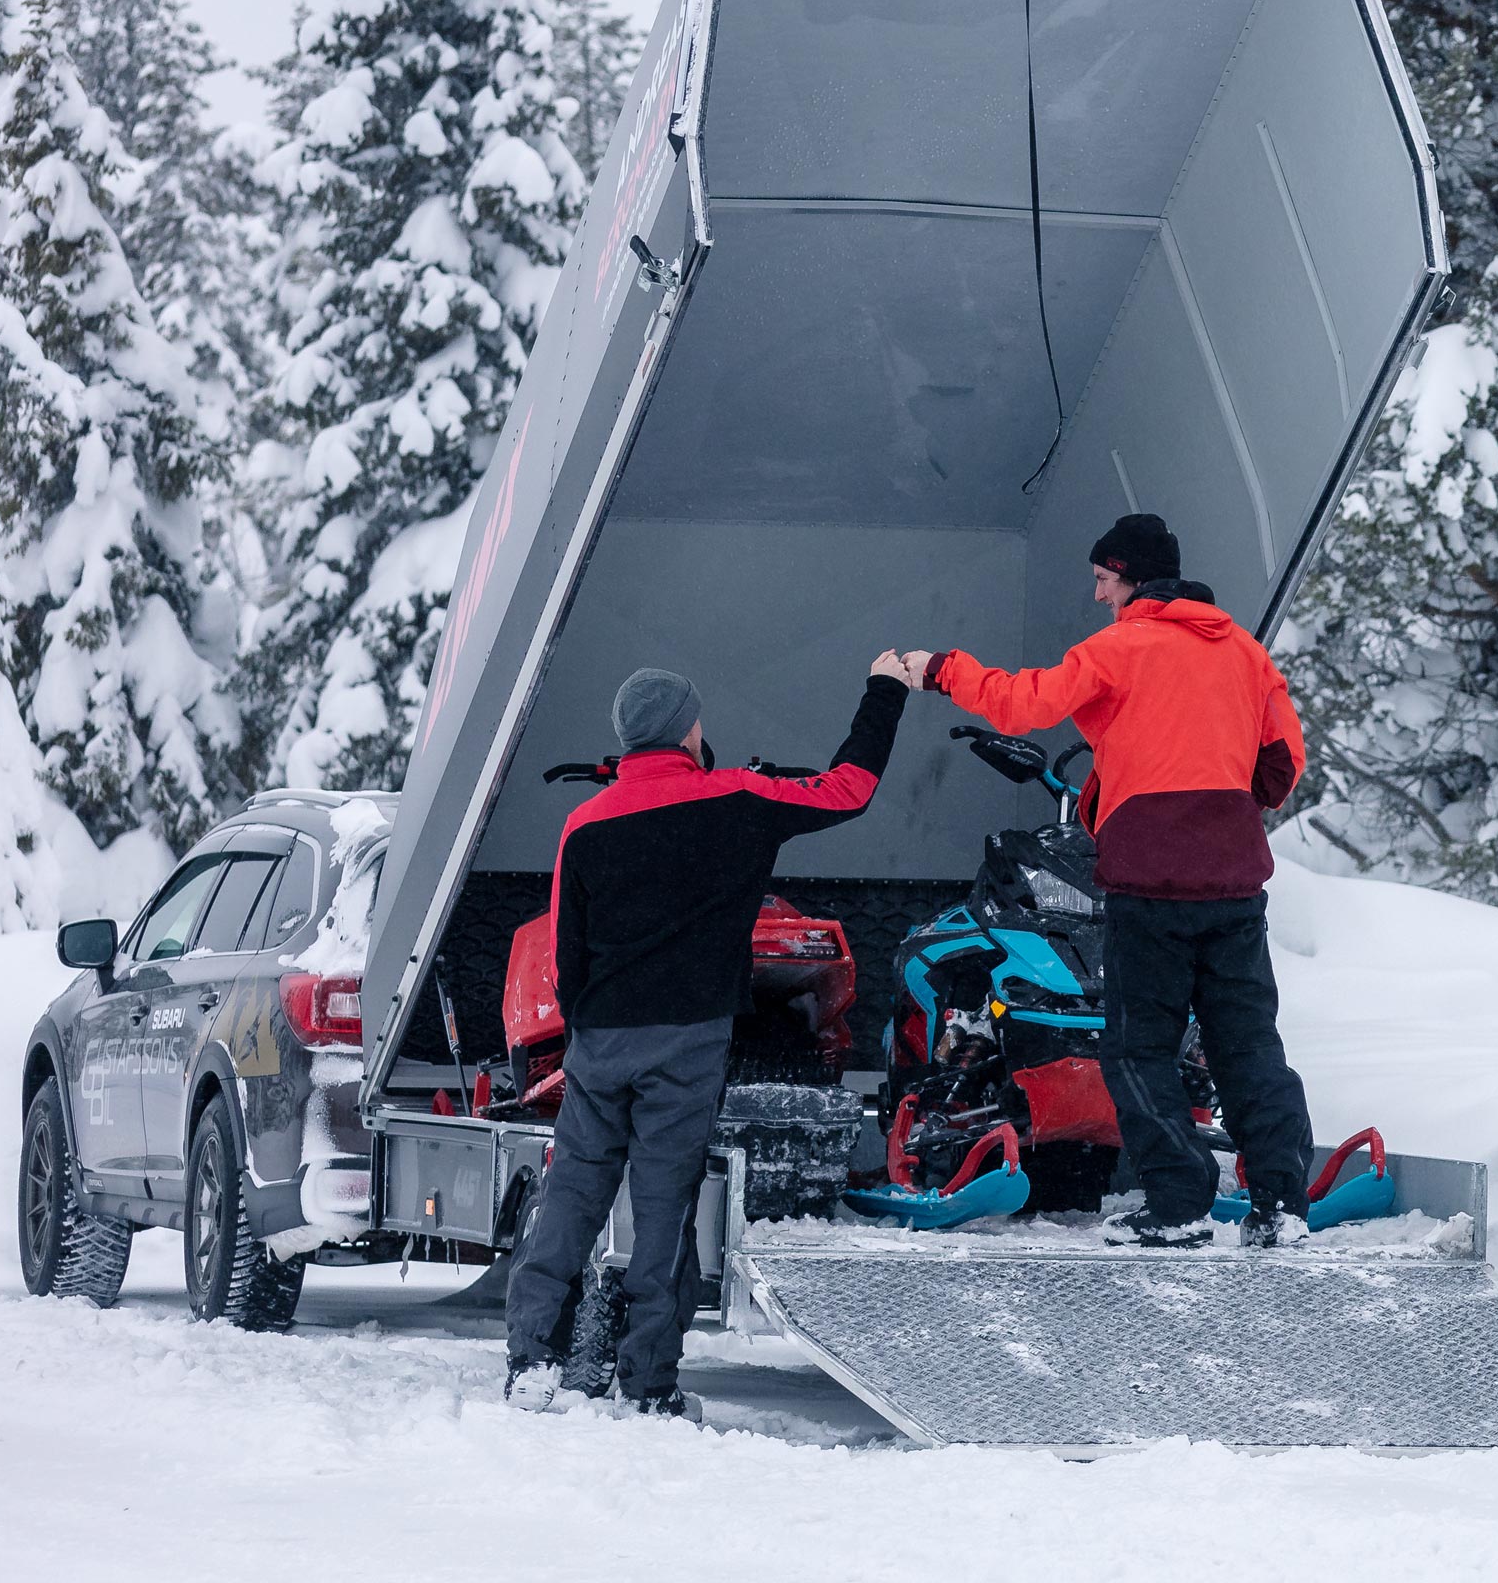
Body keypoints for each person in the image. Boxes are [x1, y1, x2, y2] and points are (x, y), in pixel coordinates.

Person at [505, 655, 909, 1415]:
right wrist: (885, 690)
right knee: (664, 1209)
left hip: (603, 1040)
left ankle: (532, 1360)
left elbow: (566, 948)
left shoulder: (584, 824)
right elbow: (848, 788)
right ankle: (649, 1384)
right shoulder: (738, 799)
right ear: (688, 729)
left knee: (572, 1197)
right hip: (688, 1039)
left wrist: (593, 1028)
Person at [896, 512, 1312, 1249]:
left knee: (1136, 1049)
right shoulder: (1244, 652)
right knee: (1247, 1046)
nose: (1096, 596)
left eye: (1101, 579)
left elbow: (1023, 702)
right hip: (1235, 885)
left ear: (1130, 577)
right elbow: (1281, 770)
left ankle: (1180, 1205)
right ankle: (1280, 1206)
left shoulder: (1119, 648)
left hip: (1150, 885)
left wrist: (940, 669)